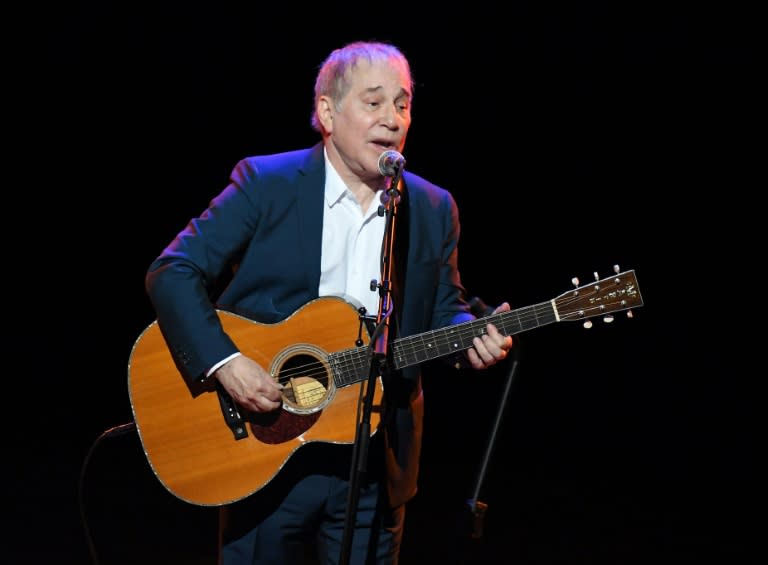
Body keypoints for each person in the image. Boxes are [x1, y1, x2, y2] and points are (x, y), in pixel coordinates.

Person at [145, 40, 513, 565]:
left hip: (375, 467)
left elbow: (441, 312)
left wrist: (470, 337)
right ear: (326, 113)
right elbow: (172, 272)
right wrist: (226, 364)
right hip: (265, 448)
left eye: (403, 104)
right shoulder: (265, 184)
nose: (392, 118)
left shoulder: (432, 207)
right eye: (373, 102)